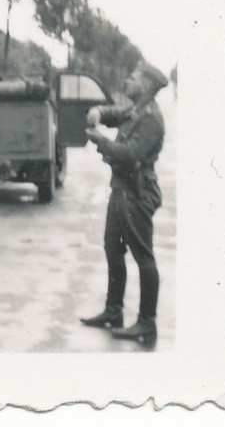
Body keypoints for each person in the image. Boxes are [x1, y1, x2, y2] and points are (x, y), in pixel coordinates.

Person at [79, 60, 169, 344]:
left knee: (143, 256)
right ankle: (113, 311)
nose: (128, 82)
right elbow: (114, 112)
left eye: (133, 78)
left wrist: (99, 140)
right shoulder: (135, 109)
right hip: (122, 190)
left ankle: (146, 323)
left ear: (147, 86)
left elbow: (130, 154)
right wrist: (98, 111)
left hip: (138, 192)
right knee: (113, 250)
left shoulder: (151, 117)